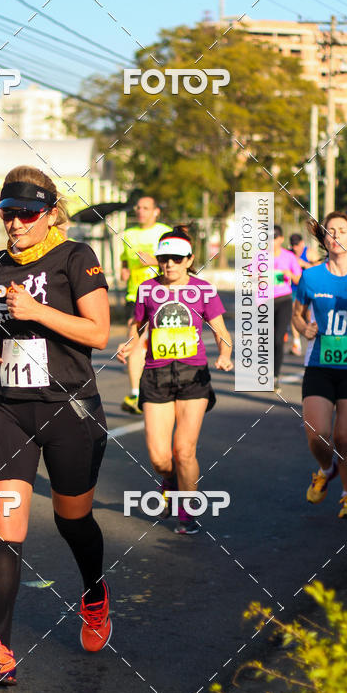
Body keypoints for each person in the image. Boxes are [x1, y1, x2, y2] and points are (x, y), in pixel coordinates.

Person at [0, 165, 111, 687]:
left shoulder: (76, 257)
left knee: (72, 520)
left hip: (70, 409)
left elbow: (98, 332)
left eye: (25, 213)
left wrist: (40, 311)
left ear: (50, 214)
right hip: (9, 406)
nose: (15, 223)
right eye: (8, 213)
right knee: (6, 523)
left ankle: (94, 595)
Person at [116, 228, 233, 534]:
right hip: (156, 376)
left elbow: (220, 329)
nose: (169, 265)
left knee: (184, 450)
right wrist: (129, 345)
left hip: (193, 376)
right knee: (160, 458)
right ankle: (168, 482)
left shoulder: (203, 290)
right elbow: (138, 326)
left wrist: (225, 354)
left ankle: (187, 510)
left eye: (176, 259)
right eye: (164, 258)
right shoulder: (146, 289)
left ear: (190, 259)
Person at [293, 211, 347, 520]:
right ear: (324, 239)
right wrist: (303, 328)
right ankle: (326, 469)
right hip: (319, 365)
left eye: (342, 230)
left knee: (345, 438)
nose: (336, 235)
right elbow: (297, 314)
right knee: (317, 434)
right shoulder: (311, 276)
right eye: (330, 231)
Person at [120, 196, 172, 415]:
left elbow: (178, 262)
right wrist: (124, 268)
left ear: (156, 211)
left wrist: (154, 261)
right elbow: (125, 258)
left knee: (164, 344)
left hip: (162, 295)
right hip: (136, 296)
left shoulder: (165, 232)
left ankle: (167, 387)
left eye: (146, 208)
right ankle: (136, 394)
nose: (140, 211)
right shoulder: (128, 234)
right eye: (138, 208)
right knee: (134, 343)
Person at [272, 225, 302, 390]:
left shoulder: (289, 257)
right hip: (264, 302)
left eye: (275, 237)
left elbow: (299, 279)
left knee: (278, 339)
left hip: (284, 300)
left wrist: (289, 274)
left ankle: (275, 376)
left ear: (281, 239)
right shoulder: (260, 256)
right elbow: (248, 275)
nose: (272, 240)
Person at [289, 233, 313, 356]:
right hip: (294, 289)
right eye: (293, 245)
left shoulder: (309, 253)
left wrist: (304, 264)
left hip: (308, 288)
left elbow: (320, 268)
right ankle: (296, 343)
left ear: (302, 243)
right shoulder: (289, 254)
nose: (295, 248)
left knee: (309, 315)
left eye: (297, 245)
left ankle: (313, 339)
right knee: (295, 314)